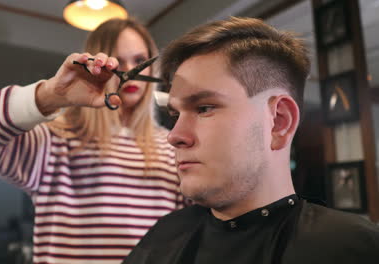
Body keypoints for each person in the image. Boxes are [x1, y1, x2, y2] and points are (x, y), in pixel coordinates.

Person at [122, 17, 379, 264]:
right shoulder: (165, 235)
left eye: (204, 108)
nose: (175, 136)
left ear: (279, 121)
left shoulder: (351, 248)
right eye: (176, 114)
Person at [0, 18, 183, 264]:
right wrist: (50, 95)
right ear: (100, 65)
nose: (130, 70)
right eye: (118, 60)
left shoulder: (175, 146)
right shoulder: (55, 142)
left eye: (140, 61)